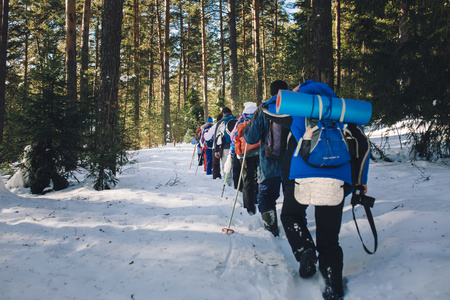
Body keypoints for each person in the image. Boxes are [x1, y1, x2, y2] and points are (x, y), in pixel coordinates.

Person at [279, 80, 371, 300]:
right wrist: (360, 180)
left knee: (290, 214)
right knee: (329, 236)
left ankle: (305, 250)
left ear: (301, 93)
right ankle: (332, 285)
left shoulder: (299, 110)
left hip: (303, 175)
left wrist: (287, 179)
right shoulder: (341, 110)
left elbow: (274, 112)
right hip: (337, 177)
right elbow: (362, 143)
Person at [243, 80, 290, 236]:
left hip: (269, 164)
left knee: (266, 196)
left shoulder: (264, 110)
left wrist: (247, 128)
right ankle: (295, 225)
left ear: (271, 93)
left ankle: (271, 228)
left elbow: (251, 138)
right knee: (292, 198)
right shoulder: (296, 108)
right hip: (292, 164)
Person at [229, 102, 259, 215]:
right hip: (260, 152)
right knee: (259, 178)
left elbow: (234, 137)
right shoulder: (260, 119)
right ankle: (258, 199)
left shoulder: (241, 121)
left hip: (246, 154)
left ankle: (249, 206)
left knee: (248, 180)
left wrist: (234, 152)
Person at [213, 107, 237, 185]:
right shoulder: (237, 121)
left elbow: (216, 136)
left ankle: (228, 184)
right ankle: (236, 185)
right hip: (236, 147)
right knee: (234, 166)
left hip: (225, 147)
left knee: (226, 166)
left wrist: (216, 150)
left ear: (223, 113)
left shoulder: (221, 122)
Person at [204, 112, 223, 179]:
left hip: (216, 146)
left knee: (216, 163)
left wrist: (205, 133)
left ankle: (216, 176)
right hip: (227, 146)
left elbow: (207, 137)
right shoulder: (228, 124)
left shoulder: (215, 126)